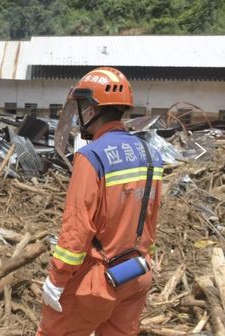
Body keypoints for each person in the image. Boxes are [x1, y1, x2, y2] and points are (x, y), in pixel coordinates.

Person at [38, 67, 163, 336]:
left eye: (83, 105)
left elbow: (77, 227)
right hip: (137, 273)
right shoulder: (151, 154)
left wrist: (58, 278)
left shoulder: (91, 157)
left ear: (93, 110)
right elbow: (151, 218)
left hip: (97, 280)